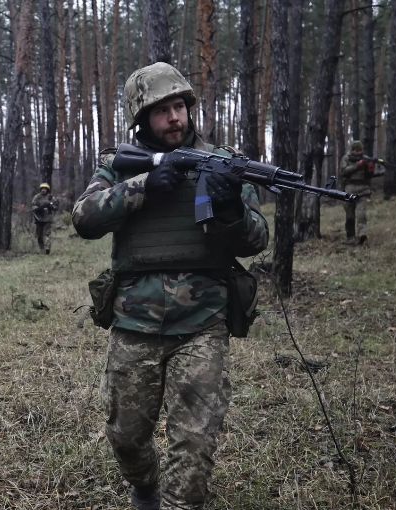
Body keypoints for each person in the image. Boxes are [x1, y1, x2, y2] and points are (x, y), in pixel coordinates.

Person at [72, 62, 269, 510]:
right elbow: (83, 218)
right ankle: (145, 488)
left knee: (194, 443)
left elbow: (258, 238)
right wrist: (143, 186)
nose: (175, 117)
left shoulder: (222, 163)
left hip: (203, 324)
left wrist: (230, 209)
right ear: (141, 118)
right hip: (133, 322)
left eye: (180, 106)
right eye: (162, 110)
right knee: (126, 436)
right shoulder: (121, 166)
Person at [338, 140, 374, 244]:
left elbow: (369, 176)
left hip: (363, 190)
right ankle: (350, 236)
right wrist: (357, 165)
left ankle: (361, 234)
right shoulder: (346, 158)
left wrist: (370, 169)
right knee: (350, 215)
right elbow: (343, 172)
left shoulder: (366, 159)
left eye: (360, 150)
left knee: (361, 214)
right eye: (357, 150)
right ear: (352, 150)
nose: (359, 152)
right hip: (349, 190)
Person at [31, 183, 57, 255]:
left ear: (47, 190)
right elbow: (33, 206)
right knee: (39, 235)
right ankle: (42, 249)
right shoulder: (37, 197)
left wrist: (51, 206)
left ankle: (47, 248)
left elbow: (56, 206)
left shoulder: (51, 198)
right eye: (42, 189)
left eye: (45, 189)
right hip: (39, 219)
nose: (43, 190)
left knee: (47, 234)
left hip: (47, 219)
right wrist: (39, 208)